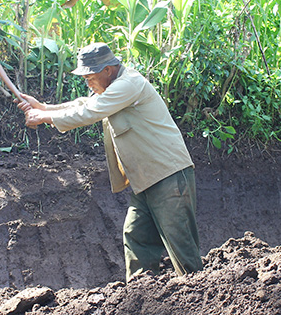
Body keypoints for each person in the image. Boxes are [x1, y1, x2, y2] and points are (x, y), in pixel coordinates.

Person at [18, 42, 203, 281]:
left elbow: (89, 112)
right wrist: (44, 108)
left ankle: (199, 295)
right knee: (136, 236)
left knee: (180, 243)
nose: (88, 83)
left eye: (91, 76)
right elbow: (85, 103)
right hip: (145, 180)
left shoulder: (129, 84)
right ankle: (142, 297)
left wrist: (45, 117)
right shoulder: (112, 88)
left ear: (108, 70)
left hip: (168, 176)